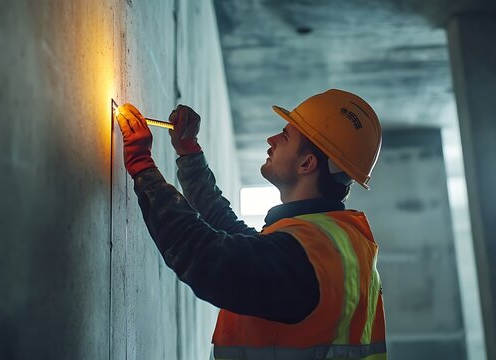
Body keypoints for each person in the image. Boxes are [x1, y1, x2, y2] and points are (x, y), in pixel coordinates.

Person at [115, 89, 386, 360]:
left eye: (285, 136)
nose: (272, 140)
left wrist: (143, 167)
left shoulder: (307, 259)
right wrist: (189, 151)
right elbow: (228, 230)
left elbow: (206, 258)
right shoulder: (324, 244)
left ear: (307, 163)